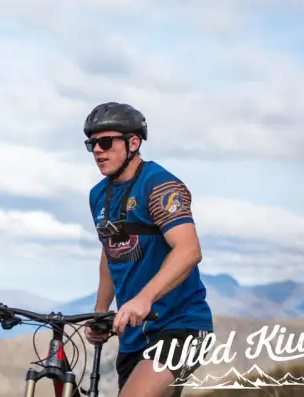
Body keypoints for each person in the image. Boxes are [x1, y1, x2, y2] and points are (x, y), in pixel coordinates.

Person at [81, 102, 214, 397]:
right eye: (92, 144)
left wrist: (144, 298)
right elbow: (110, 252)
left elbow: (189, 250)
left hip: (180, 326)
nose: (98, 151)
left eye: (106, 142)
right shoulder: (98, 194)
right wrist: (101, 312)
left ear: (133, 143)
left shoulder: (160, 185)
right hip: (133, 337)